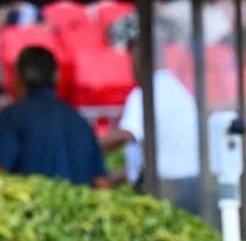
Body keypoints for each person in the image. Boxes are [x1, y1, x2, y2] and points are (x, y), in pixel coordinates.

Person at [99, 15, 201, 213]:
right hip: (191, 185)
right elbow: (159, 154)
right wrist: (115, 178)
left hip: (167, 189)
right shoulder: (176, 89)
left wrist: (86, 148)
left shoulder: (146, 92)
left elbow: (127, 134)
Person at [0, 45, 109, 188]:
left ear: (17, 78)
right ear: (57, 77)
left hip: (30, 208)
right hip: (78, 208)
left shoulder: (12, 117)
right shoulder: (80, 121)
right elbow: (102, 184)